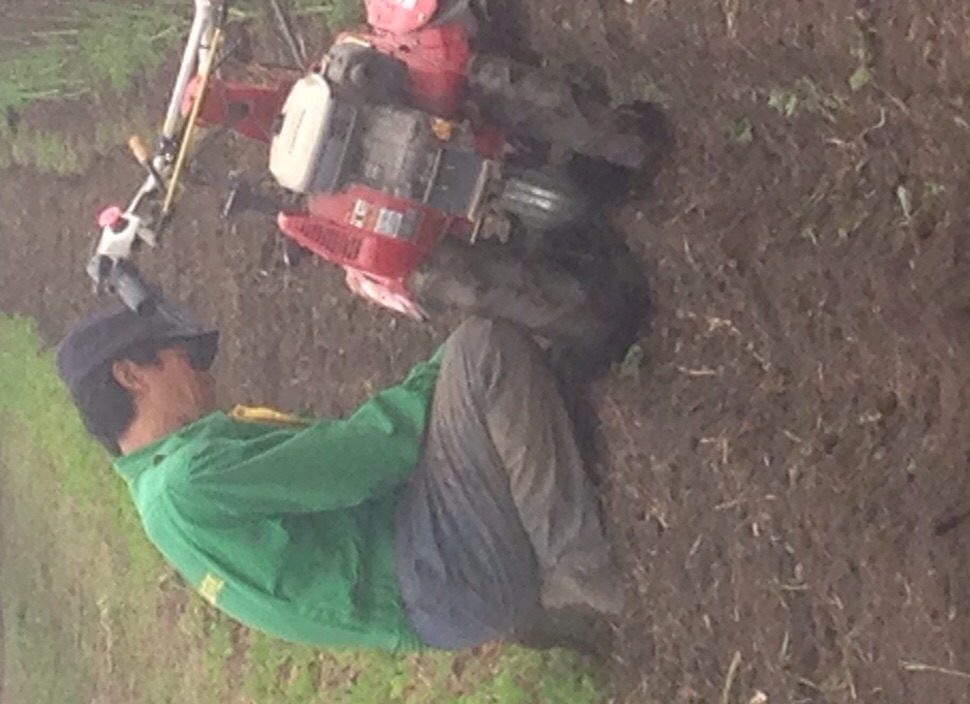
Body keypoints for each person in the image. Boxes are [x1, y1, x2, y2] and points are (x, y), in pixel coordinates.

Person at [54, 278, 627, 657]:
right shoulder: (191, 479)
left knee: (480, 379)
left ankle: (534, 591)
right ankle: (577, 570)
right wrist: (447, 360)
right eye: (184, 356)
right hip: (442, 574)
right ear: (132, 375)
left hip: (434, 603)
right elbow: (373, 455)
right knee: (483, 351)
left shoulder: (160, 499)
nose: (203, 373)